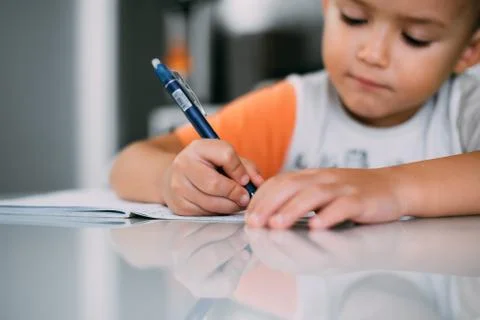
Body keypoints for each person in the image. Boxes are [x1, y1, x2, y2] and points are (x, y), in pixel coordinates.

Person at [110, 0, 480, 229]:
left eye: (415, 38)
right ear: (327, 6)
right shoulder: (291, 107)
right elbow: (128, 163)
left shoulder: (466, 107)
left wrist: (392, 188)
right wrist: (171, 181)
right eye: (353, 17)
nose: (373, 53)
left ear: (469, 50)